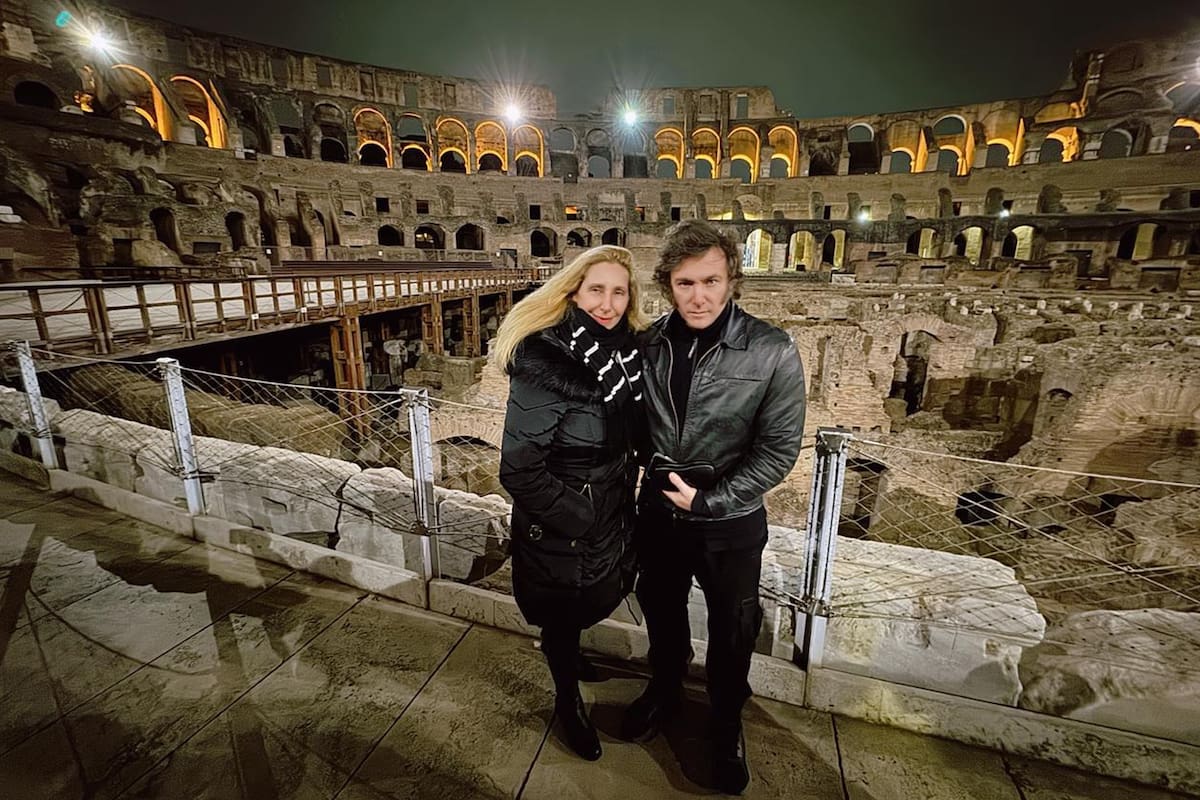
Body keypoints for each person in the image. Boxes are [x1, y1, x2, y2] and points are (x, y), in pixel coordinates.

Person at [621, 220, 805, 794]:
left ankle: (726, 722)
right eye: (684, 283)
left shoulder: (771, 349)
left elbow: (779, 450)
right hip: (658, 514)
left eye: (710, 281)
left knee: (732, 628)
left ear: (732, 281)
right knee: (662, 609)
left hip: (729, 521)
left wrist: (709, 501)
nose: (698, 296)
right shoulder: (647, 344)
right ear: (667, 285)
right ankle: (665, 689)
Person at [496, 245, 649, 761]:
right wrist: (579, 516)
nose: (606, 303)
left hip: (608, 506)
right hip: (563, 517)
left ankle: (568, 653)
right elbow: (518, 468)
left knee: (589, 598)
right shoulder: (546, 362)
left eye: (618, 291)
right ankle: (566, 700)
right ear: (573, 292)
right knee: (562, 612)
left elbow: (630, 432)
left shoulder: (627, 354)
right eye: (596, 290)